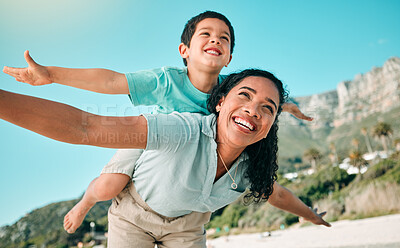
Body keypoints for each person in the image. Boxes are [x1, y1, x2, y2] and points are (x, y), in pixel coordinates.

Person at [3, 11, 312, 234]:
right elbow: (111, 81)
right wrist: (53, 75)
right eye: (206, 34)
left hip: (188, 156)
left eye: (224, 38)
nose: (215, 39)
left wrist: (286, 107)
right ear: (184, 50)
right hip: (152, 139)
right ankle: (86, 199)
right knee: (111, 186)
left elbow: (256, 104)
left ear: (229, 57)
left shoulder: (233, 89)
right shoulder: (166, 81)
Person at [0, 68, 330, 247]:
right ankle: (86, 199)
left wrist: (310, 214)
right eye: (244, 95)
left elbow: (278, 194)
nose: (253, 110)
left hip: (187, 229)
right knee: (106, 186)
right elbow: (86, 126)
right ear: (219, 103)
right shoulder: (182, 129)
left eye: (267, 108)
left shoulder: (250, 168)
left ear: (270, 126)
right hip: (134, 215)